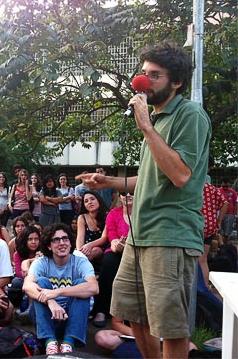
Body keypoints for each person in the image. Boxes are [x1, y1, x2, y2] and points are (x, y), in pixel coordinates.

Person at [77, 42, 211, 358]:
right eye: (143, 73)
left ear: (176, 81)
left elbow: (180, 175)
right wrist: (108, 181)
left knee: (171, 326)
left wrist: (147, 128)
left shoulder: (189, 115)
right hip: (139, 235)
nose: (144, 81)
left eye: (155, 75)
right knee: (132, 315)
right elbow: (152, 177)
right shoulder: (154, 120)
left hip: (171, 234)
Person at [23, 223, 98, 355]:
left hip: (73, 317)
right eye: (56, 240)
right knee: (41, 282)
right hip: (46, 316)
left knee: (81, 283)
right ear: (48, 246)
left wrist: (56, 292)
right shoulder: (41, 262)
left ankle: (68, 343)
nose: (62, 243)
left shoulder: (80, 261)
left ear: (70, 243)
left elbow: (93, 287)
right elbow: (27, 285)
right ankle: (50, 342)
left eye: (65, 239)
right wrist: (51, 301)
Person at [92, 192, 133, 327]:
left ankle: (130, 314)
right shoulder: (114, 214)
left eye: (132, 192)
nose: (128, 195)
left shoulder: (144, 214)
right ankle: (102, 310)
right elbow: (112, 236)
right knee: (109, 262)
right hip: (117, 250)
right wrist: (117, 246)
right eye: (124, 193)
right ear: (120, 197)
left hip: (138, 252)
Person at [199, 182, 228, 286]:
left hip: (195, 224)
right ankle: (205, 287)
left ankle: (193, 290)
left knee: (191, 259)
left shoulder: (192, 184)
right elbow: (225, 203)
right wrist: (219, 222)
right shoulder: (212, 188)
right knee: (203, 260)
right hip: (210, 224)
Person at [76, 191, 108, 264]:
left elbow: (104, 238)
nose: (89, 202)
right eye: (86, 201)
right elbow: (80, 237)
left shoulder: (108, 215)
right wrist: (79, 251)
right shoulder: (82, 217)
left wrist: (89, 245)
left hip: (102, 247)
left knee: (95, 250)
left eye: (92, 199)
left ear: (98, 200)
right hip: (85, 248)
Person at [217, 178, 237, 244]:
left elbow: (235, 203)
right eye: (223, 186)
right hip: (219, 212)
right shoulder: (217, 191)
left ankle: (225, 245)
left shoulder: (233, 192)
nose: (225, 188)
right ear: (221, 184)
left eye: (227, 186)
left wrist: (235, 214)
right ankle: (220, 245)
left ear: (229, 185)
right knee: (218, 230)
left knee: (227, 232)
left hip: (229, 213)